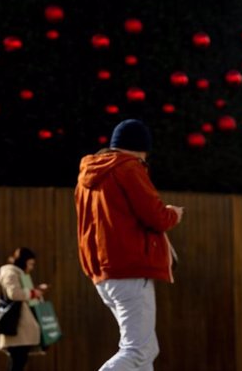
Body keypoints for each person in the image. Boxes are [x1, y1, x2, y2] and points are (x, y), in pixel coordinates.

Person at [74, 119, 183, 371]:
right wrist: (174, 213)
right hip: (130, 268)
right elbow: (155, 216)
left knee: (146, 351)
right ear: (140, 148)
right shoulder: (129, 168)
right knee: (137, 350)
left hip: (103, 271)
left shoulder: (87, 176)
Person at [0, 247, 48, 371]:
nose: (31, 267)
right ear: (23, 261)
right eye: (30, 263)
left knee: (19, 361)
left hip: (23, 327)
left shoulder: (20, 274)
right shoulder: (11, 272)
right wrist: (34, 293)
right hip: (16, 325)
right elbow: (13, 293)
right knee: (17, 361)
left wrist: (37, 292)